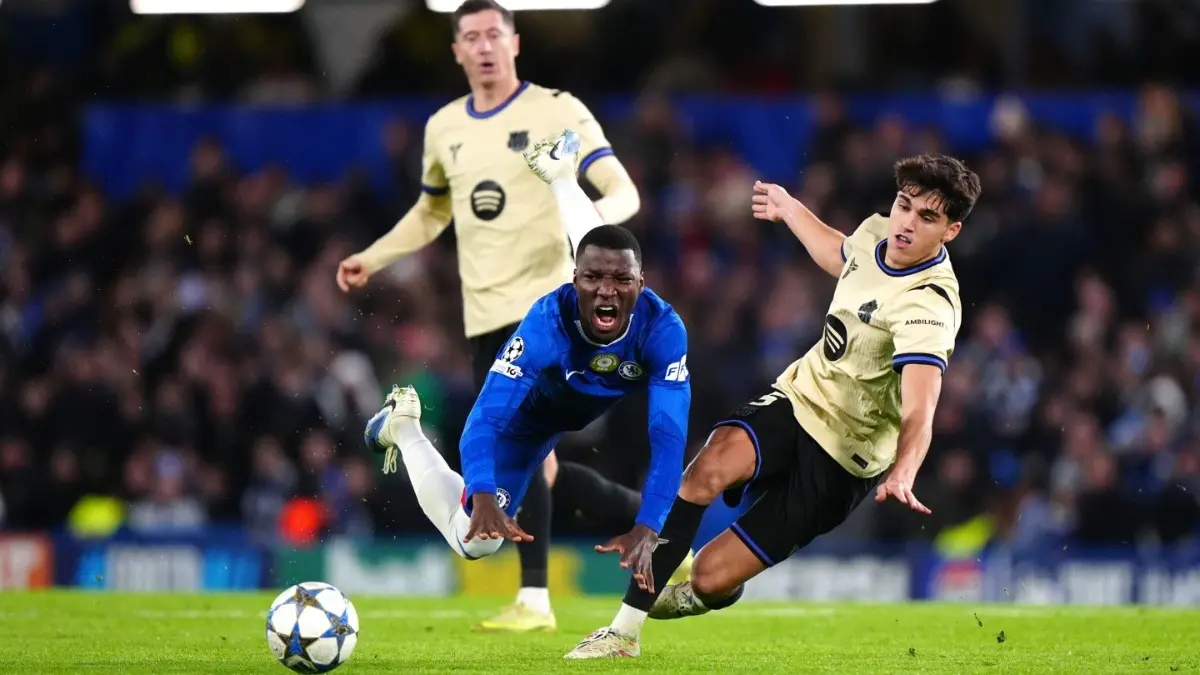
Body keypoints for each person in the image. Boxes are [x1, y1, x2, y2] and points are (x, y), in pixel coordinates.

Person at [564, 155, 982, 658]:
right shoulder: (879, 232)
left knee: (709, 576)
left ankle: (706, 587)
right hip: (800, 398)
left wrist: (905, 470)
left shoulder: (929, 305)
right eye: (904, 205)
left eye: (927, 217)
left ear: (951, 231)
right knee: (705, 469)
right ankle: (623, 633)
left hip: (843, 459)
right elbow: (842, 254)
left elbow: (920, 408)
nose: (907, 223)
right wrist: (789, 209)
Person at [336, 0, 656, 632]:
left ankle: (535, 599)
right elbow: (432, 212)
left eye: (493, 34)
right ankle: (663, 530)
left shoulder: (557, 111)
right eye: (471, 37)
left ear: (515, 43)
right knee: (544, 471)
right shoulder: (444, 127)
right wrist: (374, 257)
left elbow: (623, 190)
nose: (484, 46)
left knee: (530, 452)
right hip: (483, 317)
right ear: (457, 51)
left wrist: (594, 228)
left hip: (547, 312)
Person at [365, 131, 691, 660]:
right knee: (477, 544)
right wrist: (482, 491)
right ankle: (404, 429)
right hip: (529, 423)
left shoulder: (662, 329)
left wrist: (650, 525)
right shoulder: (546, 324)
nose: (607, 290)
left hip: (569, 411)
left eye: (624, 281)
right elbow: (487, 418)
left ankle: (560, 175)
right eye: (590, 279)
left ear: (643, 282)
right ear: (572, 279)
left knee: (604, 260)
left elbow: (668, 435)